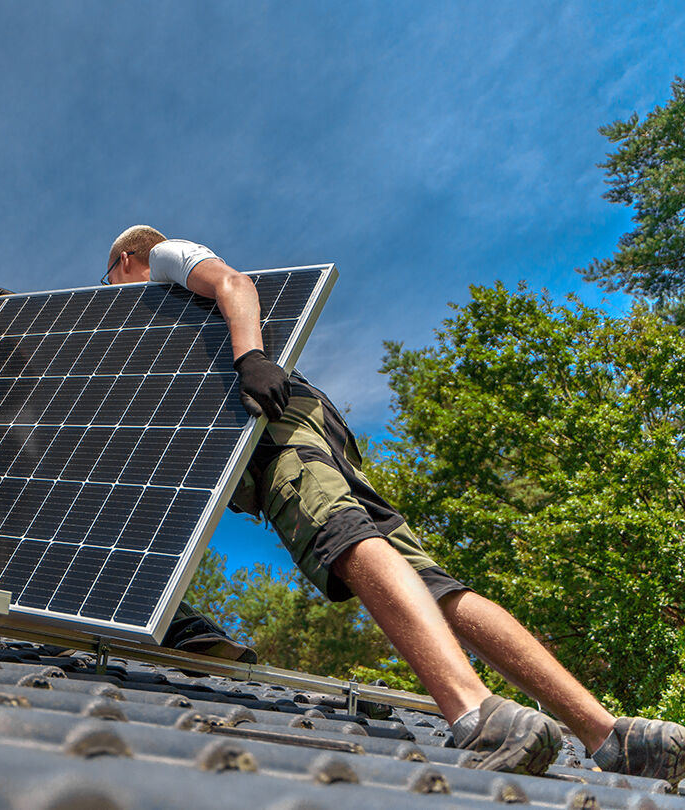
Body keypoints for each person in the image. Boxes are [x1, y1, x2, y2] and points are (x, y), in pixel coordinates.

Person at [102, 225, 685, 783]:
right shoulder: (159, 330)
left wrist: (250, 357)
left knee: (341, 536)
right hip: (305, 427)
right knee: (431, 583)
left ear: (125, 259)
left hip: (272, 429)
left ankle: (476, 715)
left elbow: (234, 282)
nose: (105, 297)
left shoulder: (160, 260)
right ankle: (611, 736)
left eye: (107, 281)